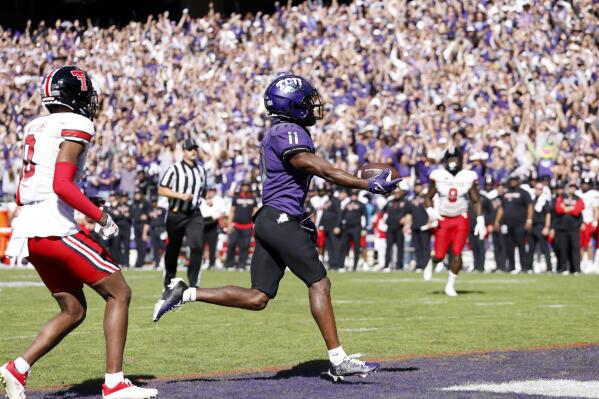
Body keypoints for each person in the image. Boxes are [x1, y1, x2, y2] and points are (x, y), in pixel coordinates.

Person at [153, 74, 399, 381]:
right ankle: (338, 359)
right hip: (281, 218)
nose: (312, 106)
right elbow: (319, 168)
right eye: (306, 101)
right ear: (292, 105)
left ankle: (186, 293)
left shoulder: (280, 131)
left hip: (271, 218)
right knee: (320, 283)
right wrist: (366, 184)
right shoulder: (289, 131)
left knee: (258, 298)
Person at [0, 66, 157, 399]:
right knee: (119, 292)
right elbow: (61, 185)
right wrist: (100, 216)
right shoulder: (77, 123)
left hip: (29, 229)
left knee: (73, 310)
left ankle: (17, 369)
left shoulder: (35, 125)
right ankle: (114, 383)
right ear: (74, 97)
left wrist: (83, 203)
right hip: (54, 227)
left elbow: (36, 185)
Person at [423, 148, 485, 296]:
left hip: (461, 218)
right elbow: (427, 198)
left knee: (457, 253)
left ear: (461, 160)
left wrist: (480, 220)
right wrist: (431, 212)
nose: (453, 162)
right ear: (445, 161)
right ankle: (432, 262)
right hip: (443, 219)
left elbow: (476, 200)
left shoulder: (468, 176)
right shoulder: (438, 175)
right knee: (439, 255)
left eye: (455, 158)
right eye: (450, 159)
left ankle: (450, 285)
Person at [158, 138, 207, 288]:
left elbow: (203, 190)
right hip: (176, 213)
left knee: (198, 246)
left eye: (195, 149)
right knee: (174, 247)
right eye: (190, 149)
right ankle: (169, 280)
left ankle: (193, 283)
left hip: (194, 213)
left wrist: (207, 199)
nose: (193, 151)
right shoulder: (175, 168)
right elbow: (161, 189)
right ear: (184, 152)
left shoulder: (201, 169)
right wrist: (180, 195)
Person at [494, 174, 534, 273]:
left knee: (521, 246)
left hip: (520, 224)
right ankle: (511, 267)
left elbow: (530, 206)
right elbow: (501, 208)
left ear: (518, 181)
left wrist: (529, 220)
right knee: (509, 246)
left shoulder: (524, 193)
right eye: (511, 180)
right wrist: (497, 221)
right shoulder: (506, 193)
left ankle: (524, 267)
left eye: (514, 180)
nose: (512, 182)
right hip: (508, 224)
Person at [225, 182, 258, 270]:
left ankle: (241, 265)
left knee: (245, 246)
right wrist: (229, 225)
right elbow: (232, 211)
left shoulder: (253, 198)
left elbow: (255, 212)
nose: (245, 188)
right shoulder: (236, 198)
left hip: (248, 226)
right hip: (236, 226)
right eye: (244, 186)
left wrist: (255, 225)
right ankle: (229, 265)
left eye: (247, 186)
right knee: (231, 244)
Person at [554, 181, 585, 274]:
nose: (572, 189)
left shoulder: (578, 199)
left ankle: (576, 269)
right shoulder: (561, 197)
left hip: (574, 227)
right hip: (562, 227)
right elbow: (558, 209)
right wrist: (571, 208)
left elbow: (577, 211)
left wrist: (566, 208)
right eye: (571, 187)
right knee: (563, 248)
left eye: (574, 187)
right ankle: (564, 268)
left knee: (575, 248)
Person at [382, 188, 411, 271]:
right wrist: (385, 218)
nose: (396, 194)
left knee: (400, 247)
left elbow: (409, 213)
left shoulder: (405, 202)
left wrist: (406, 223)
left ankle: (399, 266)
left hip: (400, 228)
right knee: (388, 247)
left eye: (398, 192)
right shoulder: (390, 202)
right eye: (395, 192)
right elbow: (383, 211)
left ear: (401, 192)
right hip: (390, 227)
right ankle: (387, 265)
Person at [339, 190, 367, 271]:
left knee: (356, 248)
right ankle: (342, 266)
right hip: (347, 228)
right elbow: (342, 216)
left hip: (357, 228)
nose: (353, 196)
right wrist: (339, 226)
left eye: (355, 195)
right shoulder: (346, 204)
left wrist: (364, 228)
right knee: (344, 246)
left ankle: (354, 266)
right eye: (352, 194)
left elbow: (364, 217)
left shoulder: (361, 205)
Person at [199, 187, 226, 269]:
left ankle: (212, 263)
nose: (210, 192)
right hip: (201, 223)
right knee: (200, 244)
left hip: (213, 224)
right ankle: (202, 262)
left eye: (212, 191)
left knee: (212, 245)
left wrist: (213, 218)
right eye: (209, 191)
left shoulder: (219, 200)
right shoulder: (201, 199)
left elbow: (223, 212)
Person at [576, 176, 599, 273]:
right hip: (579, 222)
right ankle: (582, 262)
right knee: (580, 244)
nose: (585, 186)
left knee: (589, 244)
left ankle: (590, 263)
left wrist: (595, 221)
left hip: (589, 221)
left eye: (587, 184)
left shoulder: (593, 194)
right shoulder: (577, 193)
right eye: (584, 184)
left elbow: (595, 209)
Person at [529, 182, 553, 273]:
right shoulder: (533, 200)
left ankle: (549, 268)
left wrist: (547, 226)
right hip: (533, 226)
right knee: (531, 248)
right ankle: (529, 267)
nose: (538, 190)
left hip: (541, 226)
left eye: (540, 189)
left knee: (545, 248)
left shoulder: (544, 201)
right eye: (537, 188)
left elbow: (548, 214)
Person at [131, 190, 150, 268]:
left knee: (142, 245)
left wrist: (145, 232)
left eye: (138, 193)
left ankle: (141, 262)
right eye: (136, 193)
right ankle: (138, 262)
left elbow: (148, 215)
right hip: (136, 225)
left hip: (143, 225)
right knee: (138, 245)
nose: (137, 195)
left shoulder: (145, 203)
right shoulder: (134, 203)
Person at [148, 197, 167, 269]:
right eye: (153, 202)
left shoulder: (162, 209)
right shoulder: (149, 210)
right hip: (153, 230)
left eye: (155, 201)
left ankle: (165, 261)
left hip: (160, 229)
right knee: (155, 247)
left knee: (163, 246)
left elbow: (166, 215)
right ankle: (157, 263)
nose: (154, 203)